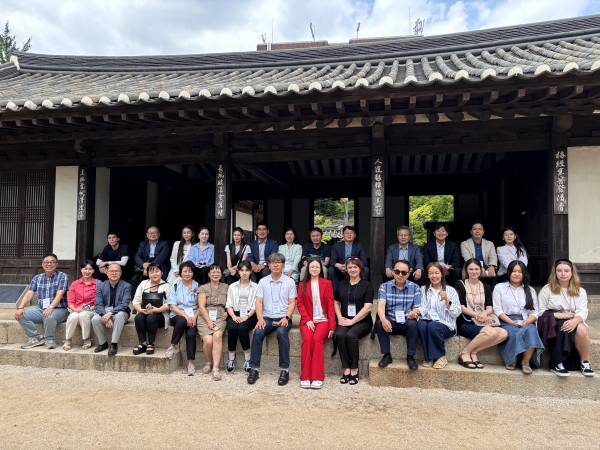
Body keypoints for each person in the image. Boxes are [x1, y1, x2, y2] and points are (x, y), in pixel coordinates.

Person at [247, 253, 297, 386]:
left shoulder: (290, 281)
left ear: (283, 265)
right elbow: (258, 302)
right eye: (273, 262)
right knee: (258, 332)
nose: (275, 264)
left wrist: (287, 317)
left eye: (278, 262)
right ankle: (254, 369)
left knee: (281, 332)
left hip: (283, 317)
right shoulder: (263, 281)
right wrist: (260, 318)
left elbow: (292, 303)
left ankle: (284, 370)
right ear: (268, 265)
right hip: (268, 317)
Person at [538, 259, 594, 377]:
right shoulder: (547, 289)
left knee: (582, 329)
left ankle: (584, 362)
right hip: (553, 322)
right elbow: (541, 312)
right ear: (555, 272)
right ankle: (557, 363)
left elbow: (582, 311)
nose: (563, 273)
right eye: (559, 270)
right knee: (563, 326)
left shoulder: (580, 291)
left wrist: (574, 321)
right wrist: (562, 316)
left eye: (566, 271)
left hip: (575, 320)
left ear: (572, 273)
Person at [493, 261, 544, 374]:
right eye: (514, 271)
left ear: (524, 274)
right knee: (513, 331)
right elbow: (498, 310)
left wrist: (526, 322)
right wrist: (511, 321)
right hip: (506, 320)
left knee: (532, 329)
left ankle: (526, 362)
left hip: (525, 319)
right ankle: (512, 358)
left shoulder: (530, 290)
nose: (517, 274)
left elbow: (535, 312)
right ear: (508, 272)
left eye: (520, 271)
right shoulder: (499, 287)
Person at [455, 258, 508, 369]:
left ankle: (473, 352)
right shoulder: (460, 284)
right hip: (466, 321)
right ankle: (464, 353)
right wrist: (477, 315)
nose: (474, 272)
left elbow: (489, 307)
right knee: (491, 332)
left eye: (476, 269)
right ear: (466, 270)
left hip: (482, 320)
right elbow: (461, 307)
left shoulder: (486, 286)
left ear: (481, 270)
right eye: (471, 269)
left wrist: (484, 313)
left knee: (503, 333)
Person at [14, 253, 69, 350]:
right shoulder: (37, 278)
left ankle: (50, 339)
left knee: (48, 316)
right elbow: (29, 293)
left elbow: (60, 294)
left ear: (56, 264)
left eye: (52, 262)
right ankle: (36, 337)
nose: (49, 264)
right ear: (42, 264)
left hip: (59, 309)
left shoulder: (62, 276)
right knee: (20, 315)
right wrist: (20, 307)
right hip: (40, 309)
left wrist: (50, 307)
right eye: (46, 262)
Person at [297, 257, 335, 388]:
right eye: (312, 267)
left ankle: (318, 376)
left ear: (321, 269)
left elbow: (330, 305)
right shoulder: (302, 284)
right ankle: (305, 377)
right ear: (308, 269)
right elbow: (300, 304)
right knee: (307, 341)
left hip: (323, 321)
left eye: (317, 267)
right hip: (307, 321)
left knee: (317, 340)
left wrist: (332, 325)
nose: (314, 269)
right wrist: (307, 320)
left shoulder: (327, 283)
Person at [334, 257, 373, 385]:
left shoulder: (367, 285)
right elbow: (336, 302)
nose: (352, 269)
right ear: (346, 269)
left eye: (355, 267)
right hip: (345, 318)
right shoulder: (342, 284)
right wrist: (339, 317)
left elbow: (368, 307)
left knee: (351, 335)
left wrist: (352, 321)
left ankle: (354, 369)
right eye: (350, 267)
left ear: (360, 268)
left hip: (362, 321)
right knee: (340, 334)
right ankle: (346, 369)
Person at [376, 260, 421, 371]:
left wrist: (414, 312)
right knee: (380, 323)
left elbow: (417, 307)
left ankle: (410, 356)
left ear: (408, 274)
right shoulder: (384, 287)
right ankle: (386, 355)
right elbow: (381, 305)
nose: (400, 275)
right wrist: (383, 319)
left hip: (407, 320)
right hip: (391, 321)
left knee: (413, 325)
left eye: (403, 272)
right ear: (392, 272)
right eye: (397, 271)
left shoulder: (415, 287)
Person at [417, 262, 461, 369]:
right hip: (428, 320)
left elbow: (457, 313)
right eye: (431, 273)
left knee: (433, 326)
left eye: (437, 273)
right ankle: (429, 357)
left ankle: (441, 356)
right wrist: (417, 311)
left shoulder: (451, 290)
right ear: (427, 275)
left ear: (442, 274)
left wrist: (447, 300)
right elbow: (421, 307)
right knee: (421, 326)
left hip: (446, 324)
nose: (434, 276)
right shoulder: (423, 290)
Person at [164, 261, 200, 376]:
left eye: (190, 271)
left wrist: (194, 317)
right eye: (185, 271)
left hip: (194, 316)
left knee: (191, 335)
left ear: (193, 273)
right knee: (182, 321)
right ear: (180, 273)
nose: (187, 273)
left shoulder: (197, 286)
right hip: (178, 314)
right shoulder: (175, 286)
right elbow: (172, 306)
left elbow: (201, 305)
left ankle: (190, 364)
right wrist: (185, 316)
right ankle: (173, 346)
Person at [225, 261, 258, 373]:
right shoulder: (232, 286)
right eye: (242, 270)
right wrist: (233, 316)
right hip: (235, 313)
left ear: (250, 271)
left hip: (250, 314)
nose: (244, 273)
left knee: (242, 328)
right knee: (233, 327)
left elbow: (255, 305)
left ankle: (248, 360)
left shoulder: (256, 287)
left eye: (247, 270)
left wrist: (247, 316)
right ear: (238, 271)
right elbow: (228, 304)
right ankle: (231, 358)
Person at [92, 263, 131, 356]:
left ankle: (114, 344)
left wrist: (110, 313)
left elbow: (124, 304)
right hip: (105, 312)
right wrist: (105, 315)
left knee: (119, 316)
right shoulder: (101, 286)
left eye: (116, 271)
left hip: (121, 312)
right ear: (107, 273)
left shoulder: (126, 286)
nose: (114, 273)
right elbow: (98, 303)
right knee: (95, 319)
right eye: (111, 271)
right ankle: (103, 343)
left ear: (120, 273)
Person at [197, 264, 228, 380]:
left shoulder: (226, 287)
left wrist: (227, 312)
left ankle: (215, 368)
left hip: (220, 316)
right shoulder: (203, 288)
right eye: (213, 272)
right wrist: (209, 321)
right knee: (208, 340)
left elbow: (230, 303)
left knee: (217, 335)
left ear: (221, 274)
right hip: (205, 317)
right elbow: (201, 306)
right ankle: (208, 362)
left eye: (218, 272)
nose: (216, 274)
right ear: (209, 274)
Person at [132, 262, 171, 355]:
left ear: (162, 272)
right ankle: (142, 343)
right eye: (151, 272)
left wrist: (156, 310)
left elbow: (169, 304)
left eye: (157, 271)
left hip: (160, 314)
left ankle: (151, 343)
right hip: (144, 312)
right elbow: (135, 301)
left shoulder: (167, 286)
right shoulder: (143, 284)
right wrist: (140, 310)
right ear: (148, 274)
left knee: (151, 318)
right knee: (138, 317)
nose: (154, 274)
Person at [64, 260, 100, 351]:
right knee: (74, 316)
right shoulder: (75, 284)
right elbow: (70, 301)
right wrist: (75, 310)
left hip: (92, 309)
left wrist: (90, 308)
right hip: (76, 309)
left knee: (83, 315)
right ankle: (68, 339)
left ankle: (87, 339)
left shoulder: (98, 283)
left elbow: (100, 301)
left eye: (90, 269)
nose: (87, 271)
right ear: (81, 269)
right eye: (85, 269)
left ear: (93, 271)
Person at [328, 226, 370, 293]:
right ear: (343, 235)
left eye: (351, 233)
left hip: (354, 269)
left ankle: (361, 291)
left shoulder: (359, 245)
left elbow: (364, 261)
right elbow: (332, 261)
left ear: (355, 235)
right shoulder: (337, 246)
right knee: (331, 269)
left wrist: (353, 266)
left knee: (366, 269)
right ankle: (336, 293)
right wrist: (338, 265)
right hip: (341, 270)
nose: (349, 234)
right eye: (347, 233)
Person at [131, 226, 170, 294]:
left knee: (161, 279)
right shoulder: (143, 244)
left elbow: (162, 257)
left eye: (155, 233)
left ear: (159, 234)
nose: (153, 235)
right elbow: (137, 256)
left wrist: (150, 267)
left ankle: (158, 300)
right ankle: (135, 300)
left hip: (159, 265)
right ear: (147, 235)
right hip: (145, 266)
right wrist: (143, 264)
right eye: (151, 233)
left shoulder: (164, 243)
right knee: (134, 279)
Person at [460, 221, 498, 288]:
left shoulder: (490, 244)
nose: (477, 231)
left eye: (480, 229)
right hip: (472, 270)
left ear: (483, 232)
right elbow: (468, 259)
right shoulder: (464, 244)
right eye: (475, 229)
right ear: (471, 232)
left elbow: (493, 256)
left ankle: (492, 293)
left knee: (494, 272)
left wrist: (492, 266)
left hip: (486, 270)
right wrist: (479, 268)